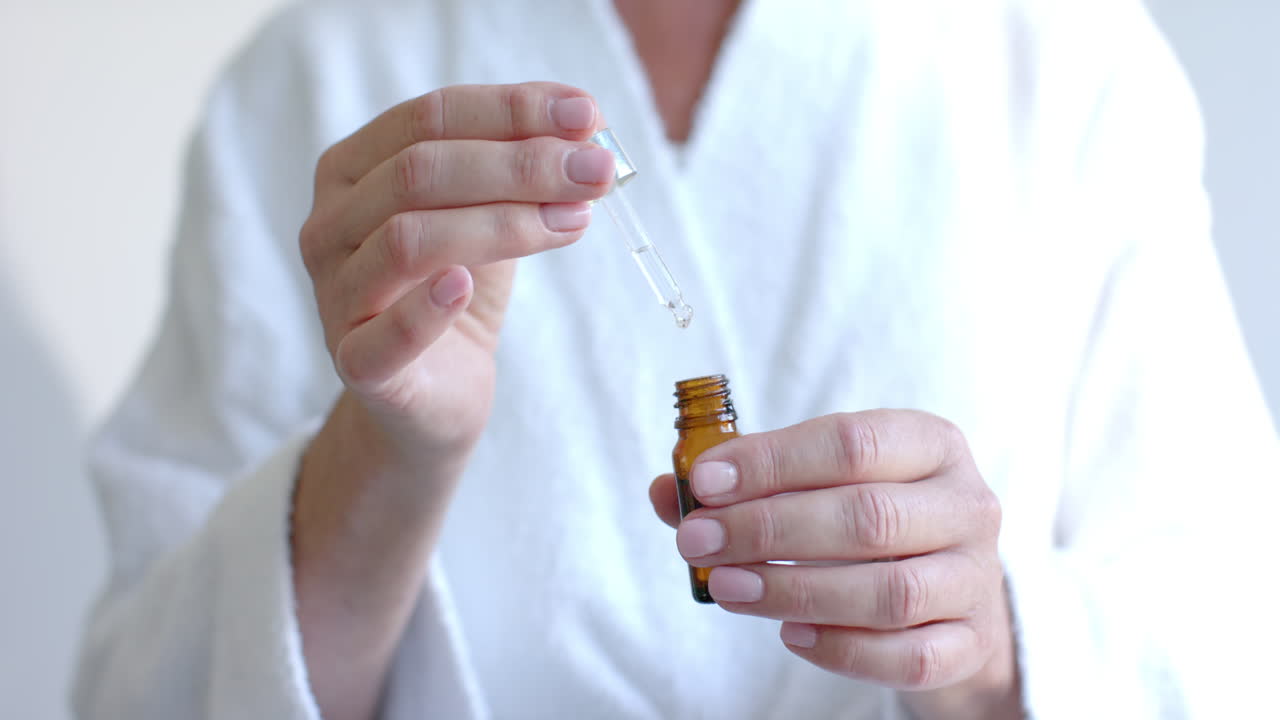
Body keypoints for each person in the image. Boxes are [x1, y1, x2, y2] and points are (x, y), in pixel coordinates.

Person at [73, 0, 1280, 718]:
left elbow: (1231, 639)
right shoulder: (321, 80)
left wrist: (996, 649)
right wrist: (384, 455)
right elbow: (144, 691)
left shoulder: (1058, 54)